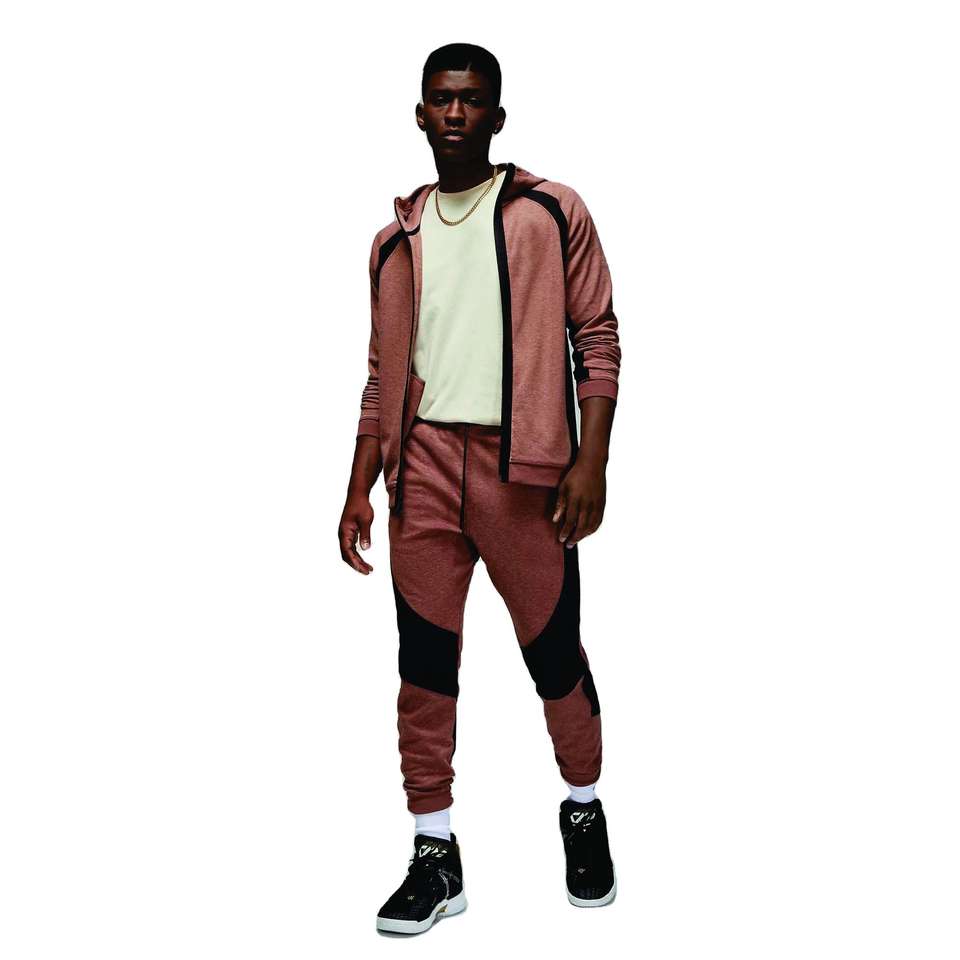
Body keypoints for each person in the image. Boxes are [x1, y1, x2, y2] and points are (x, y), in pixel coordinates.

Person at [338, 42, 622, 934]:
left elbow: (597, 336)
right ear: (420, 114)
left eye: (470, 100)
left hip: (523, 472)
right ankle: (434, 852)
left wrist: (591, 461)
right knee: (423, 669)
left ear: (496, 116)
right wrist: (357, 486)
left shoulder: (549, 211)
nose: (454, 113)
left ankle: (583, 808)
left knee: (555, 656)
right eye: (440, 99)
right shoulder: (394, 243)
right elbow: (382, 375)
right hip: (421, 472)